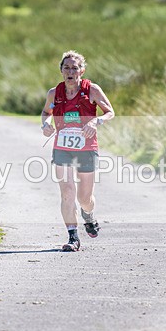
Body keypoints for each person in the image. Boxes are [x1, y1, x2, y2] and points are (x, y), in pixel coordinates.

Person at [41, 50, 115, 252]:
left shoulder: (92, 90)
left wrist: (95, 121)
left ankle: (89, 216)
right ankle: (73, 237)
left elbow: (110, 112)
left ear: (81, 70)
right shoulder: (53, 93)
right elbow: (46, 112)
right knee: (66, 192)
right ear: (61, 71)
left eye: (75, 68)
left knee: (84, 198)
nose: (70, 71)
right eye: (67, 68)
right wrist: (45, 124)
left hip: (87, 147)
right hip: (62, 146)